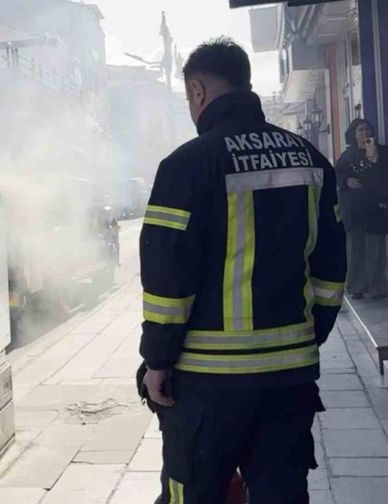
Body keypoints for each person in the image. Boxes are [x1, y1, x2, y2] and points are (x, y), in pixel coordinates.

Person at [140, 37, 346, 503]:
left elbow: (167, 284)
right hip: (290, 374)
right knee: (282, 491)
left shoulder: (186, 166)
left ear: (197, 90)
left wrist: (157, 361)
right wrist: (310, 334)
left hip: (208, 382)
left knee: (194, 491)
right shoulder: (310, 160)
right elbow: (332, 270)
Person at [336, 118, 388, 299]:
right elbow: (338, 176)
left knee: (376, 247)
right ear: (353, 134)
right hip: (355, 209)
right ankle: (356, 286)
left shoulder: (381, 152)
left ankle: (377, 286)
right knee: (356, 248)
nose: (364, 133)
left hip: (375, 207)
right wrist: (346, 181)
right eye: (360, 130)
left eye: (367, 129)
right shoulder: (347, 156)